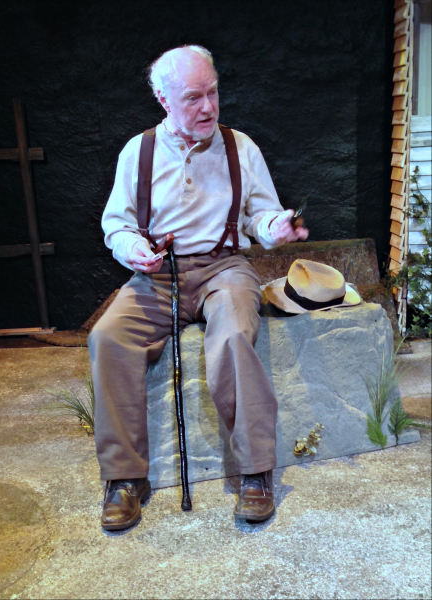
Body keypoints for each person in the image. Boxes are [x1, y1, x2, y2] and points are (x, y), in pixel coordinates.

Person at [89, 45, 308, 531]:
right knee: (108, 338)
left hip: (223, 266)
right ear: (163, 99)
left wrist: (277, 228)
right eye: (193, 97)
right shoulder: (139, 151)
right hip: (157, 272)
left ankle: (255, 472)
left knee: (232, 332)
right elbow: (117, 224)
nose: (208, 107)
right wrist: (133, 251)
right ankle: (126, 478)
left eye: (212, 93)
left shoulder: (240, 147)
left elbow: (260, 213)